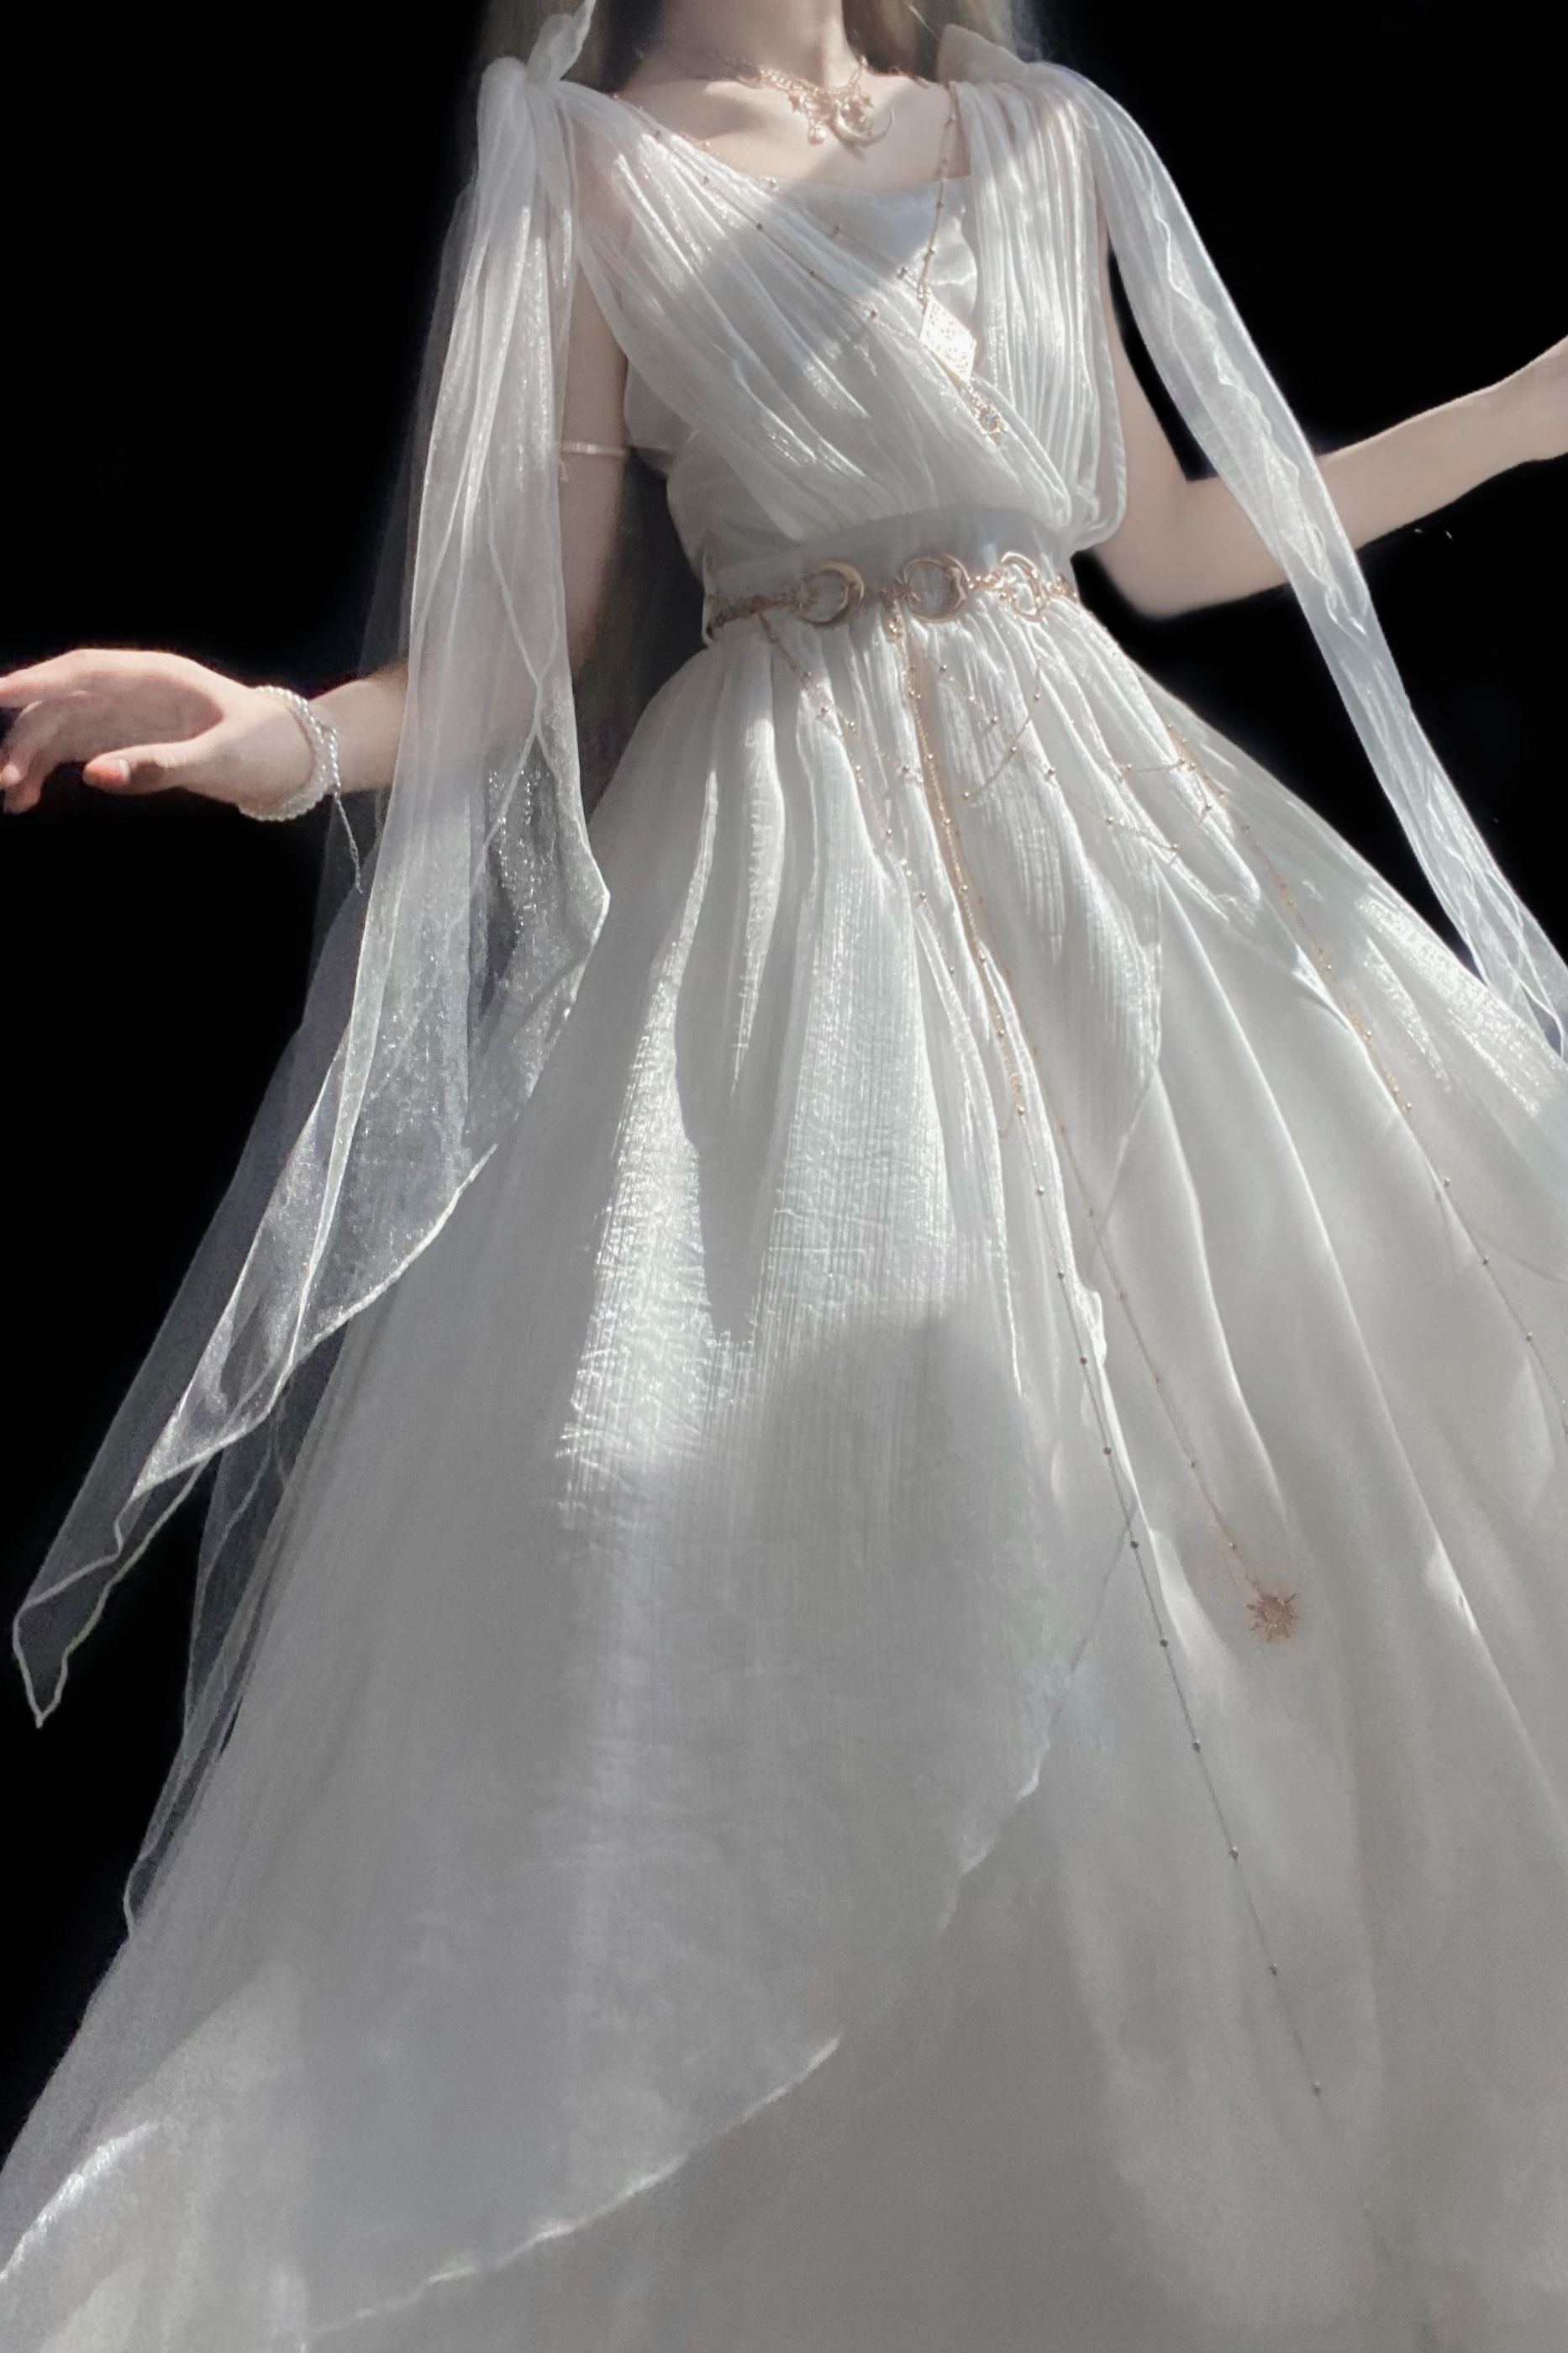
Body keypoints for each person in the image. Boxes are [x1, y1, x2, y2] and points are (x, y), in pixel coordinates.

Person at [3, 0, 1567, 2342]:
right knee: (780, 1525)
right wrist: (282, 736)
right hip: (778, 913)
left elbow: (1167, 545)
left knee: (1354, 1392)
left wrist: (1528, 412)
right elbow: (526, 648)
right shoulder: (581, 167)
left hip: (1122, 853)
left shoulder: (1038, 135)